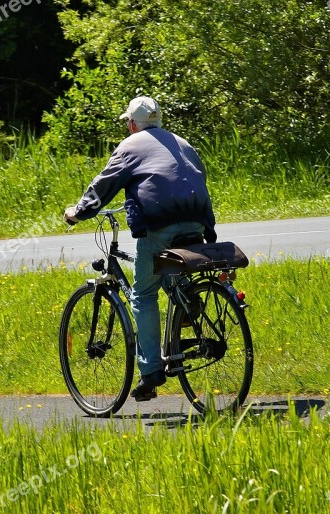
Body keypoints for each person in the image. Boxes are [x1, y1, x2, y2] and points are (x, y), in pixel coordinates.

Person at [64, 96, 217, 401]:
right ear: (158, 121)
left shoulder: (131, 145)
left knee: (144, 293)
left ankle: (150, 372)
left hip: (162, 223)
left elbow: (104, 184)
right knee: (171, 269)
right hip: (198, 220)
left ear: (132, 124)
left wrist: (78, 212)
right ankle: (188, 301)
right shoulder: (182, 142)